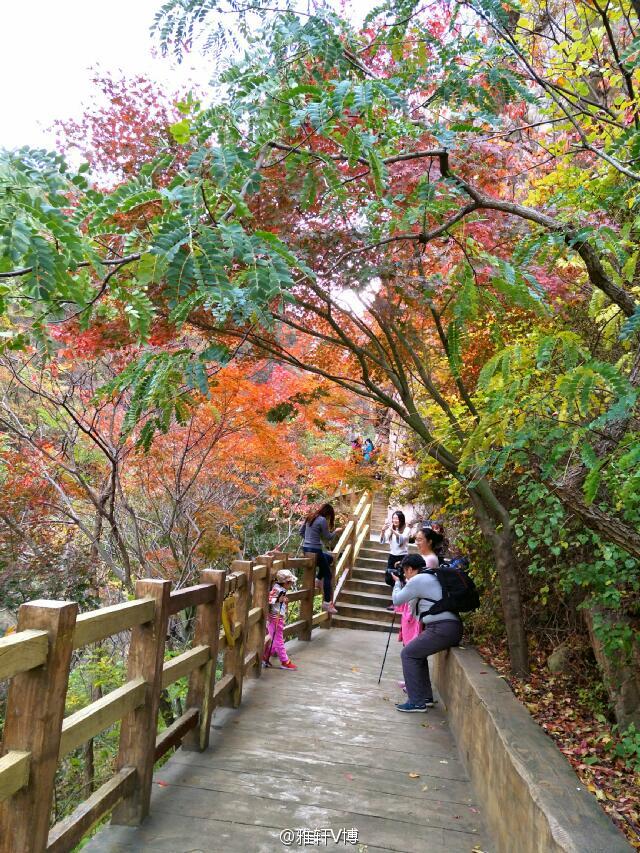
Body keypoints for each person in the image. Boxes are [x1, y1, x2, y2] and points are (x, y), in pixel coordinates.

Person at [391, 529, 463, 712]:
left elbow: (397, 600)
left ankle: (416, 702)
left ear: (409, 569)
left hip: (442, 628)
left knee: (408, 653)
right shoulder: (431, 576)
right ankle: (425, 697)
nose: (404, 575)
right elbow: (417, 612)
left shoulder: (417, 580)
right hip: (449, 626)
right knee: (417, 652)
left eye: (404, 572)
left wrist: (398, 584)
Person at [300, 503, 342, 614]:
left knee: (329, 558)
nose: (328, 519)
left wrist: (309, 540)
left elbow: (301, 532)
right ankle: (327, 603)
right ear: (327, 513)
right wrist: (336, 532)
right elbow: (328, 537)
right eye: (329, 516)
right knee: (328, 575)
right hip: (315, 550)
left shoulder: (310, 516)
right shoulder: (322, 520)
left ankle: (318, 580)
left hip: (305, 549)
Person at [263, 568, 298, 670]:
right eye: (290, 583)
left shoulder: (281, 589)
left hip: (278, 617)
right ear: (285, 582)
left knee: (275, 639)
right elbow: (269, 599)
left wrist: (282, 599)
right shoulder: (277, 589)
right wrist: (279, 599)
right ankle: (285, 661)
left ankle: (265, 657)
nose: (291, 585)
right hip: (275, 618)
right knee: (279, 641)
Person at [380, 511, 410, 612]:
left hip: (402, 557)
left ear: (401, 519)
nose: (395, 520)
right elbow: (383, 541)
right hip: (392, 556)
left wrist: (393, 530)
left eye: (397, 518)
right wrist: (383, 531)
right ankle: (397, 600)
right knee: (389, 578)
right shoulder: (391, 529)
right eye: (393, 518)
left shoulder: (406, 529)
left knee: (400, 578)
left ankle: (396, 603)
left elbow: (402, 539)